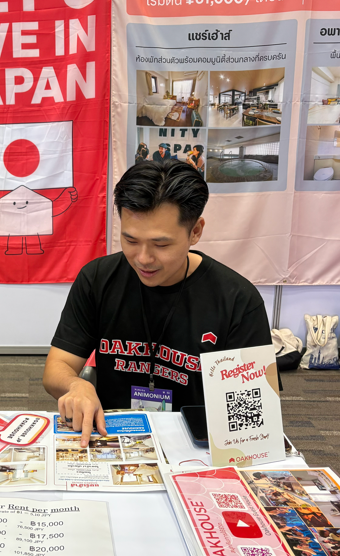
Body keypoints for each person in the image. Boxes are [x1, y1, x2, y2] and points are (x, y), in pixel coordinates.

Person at [42, 161, 271, 445]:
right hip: (114, 435)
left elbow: (251, 412)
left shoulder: (237, 299)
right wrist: (76, 385)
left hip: (201, 443)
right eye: (130, 240)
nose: (143, 259)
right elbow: (57, 367)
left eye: (161, 245)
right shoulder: (97, 279)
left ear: (195, 231)